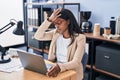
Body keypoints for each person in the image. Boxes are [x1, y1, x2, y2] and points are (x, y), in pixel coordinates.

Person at [34, 8, 86, 80]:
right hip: (56, 69)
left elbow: (76, 62)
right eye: (55, 23)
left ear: (68, 21)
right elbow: (38, 36)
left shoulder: (80, 38)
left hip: (71, 72)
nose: (57, 26)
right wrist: (49, 20)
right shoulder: (56, 34)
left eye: (59, 22)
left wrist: (59, 67)